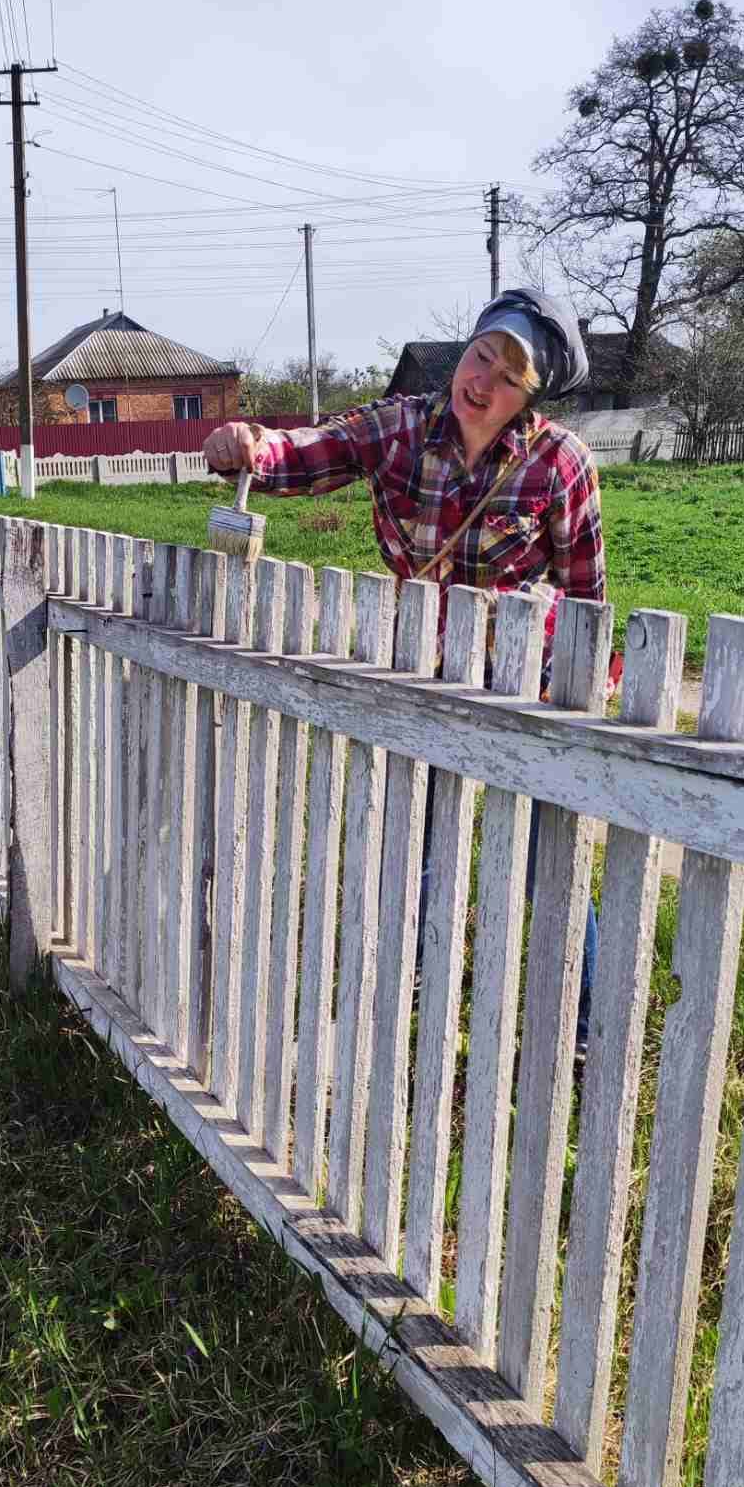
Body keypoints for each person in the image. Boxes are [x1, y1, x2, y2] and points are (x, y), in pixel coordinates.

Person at [202, 289, 605, 1052]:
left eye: (507, 373)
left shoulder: (562, 464)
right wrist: (248, 445)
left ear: (531, 395)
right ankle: (417, 981)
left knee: (549, 861)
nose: (480, 380)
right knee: (416, 836)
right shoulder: (400, 427)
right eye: (481, 353)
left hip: (526, 686)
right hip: (419, 675)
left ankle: (581, 1026)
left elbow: (587, 593)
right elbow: (305, 453)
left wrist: (578, 698)